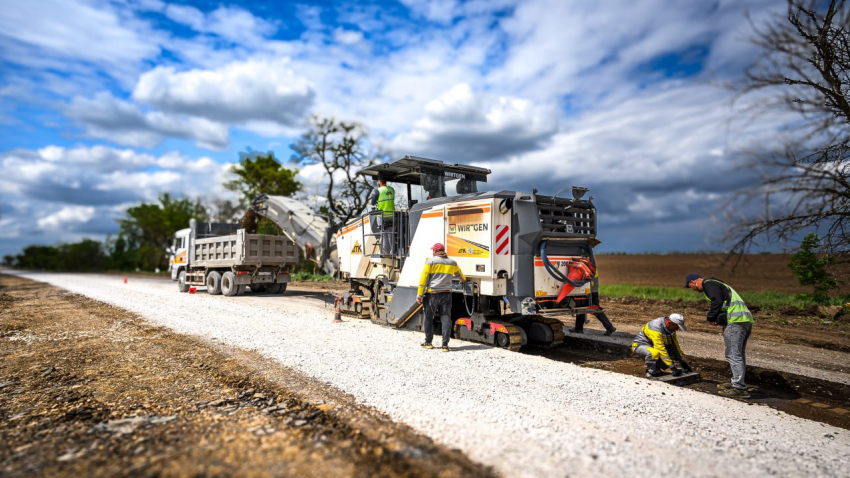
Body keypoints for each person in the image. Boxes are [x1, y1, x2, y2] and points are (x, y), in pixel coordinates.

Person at [686, 273, 754, 398]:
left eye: (690, 287)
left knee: (733, 354)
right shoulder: (719, 284)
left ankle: (739, 388)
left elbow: (716, 301)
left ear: (693, 282)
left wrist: (710, 317)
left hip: (736, 321)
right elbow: (725, 304)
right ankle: (736, 382)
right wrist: (725, 325)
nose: (693, 290)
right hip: (743, 321)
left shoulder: (709, 284)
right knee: (738, 354)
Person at [417, 243, 465, 352]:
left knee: (429, 317)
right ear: (443, 251)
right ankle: (445, 345)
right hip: (447, 294)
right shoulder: (452, 263)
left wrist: (419, 294)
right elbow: (460, 275)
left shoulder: (431, 261)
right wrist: (462, 280)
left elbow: (423, 279)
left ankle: (428, 342)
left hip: (432, 294)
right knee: (446, 317)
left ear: (434, 251)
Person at [631, 313, 693, 378]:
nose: (677, 329)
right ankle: (651, 372)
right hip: (640, 345)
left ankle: (657, 369)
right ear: (669, 323)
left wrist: (682, 362)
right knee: (654, 353)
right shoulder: (655, 327)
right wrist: (672, 367)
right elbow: (660, 348)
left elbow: (675, 345)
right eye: (676, 327)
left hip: (654, 346)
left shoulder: (671, 329)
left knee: (671, 350)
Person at [370, 177, 395, 255]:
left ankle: (386, 253)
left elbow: (373, 203)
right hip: (391, 214)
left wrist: (370, 203)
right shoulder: (392, 189)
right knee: (391, 234)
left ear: (379, 181)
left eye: (378, 181)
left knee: (384, 234)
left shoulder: (378, 190)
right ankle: (393, 251)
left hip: (382, 215)